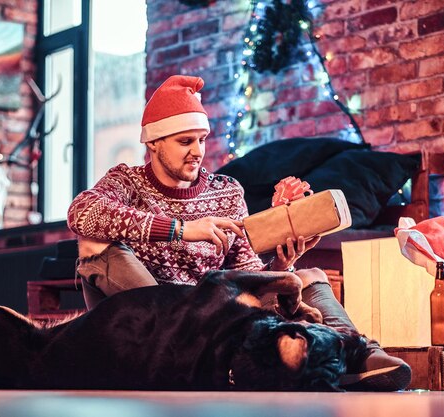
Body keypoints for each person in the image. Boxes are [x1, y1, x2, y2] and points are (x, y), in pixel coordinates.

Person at [67, 75, 411, 391]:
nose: (198, 151)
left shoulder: (227, 192)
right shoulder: (127, 181)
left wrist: (282, 261)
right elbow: (81, 213)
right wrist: (181, 230)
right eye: (185, 141)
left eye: (202, 139)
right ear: (154, 142)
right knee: (95, 242)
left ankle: (355, 355)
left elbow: (248, 275)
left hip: (220, 317)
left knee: (310, 275)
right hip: (159, 322)